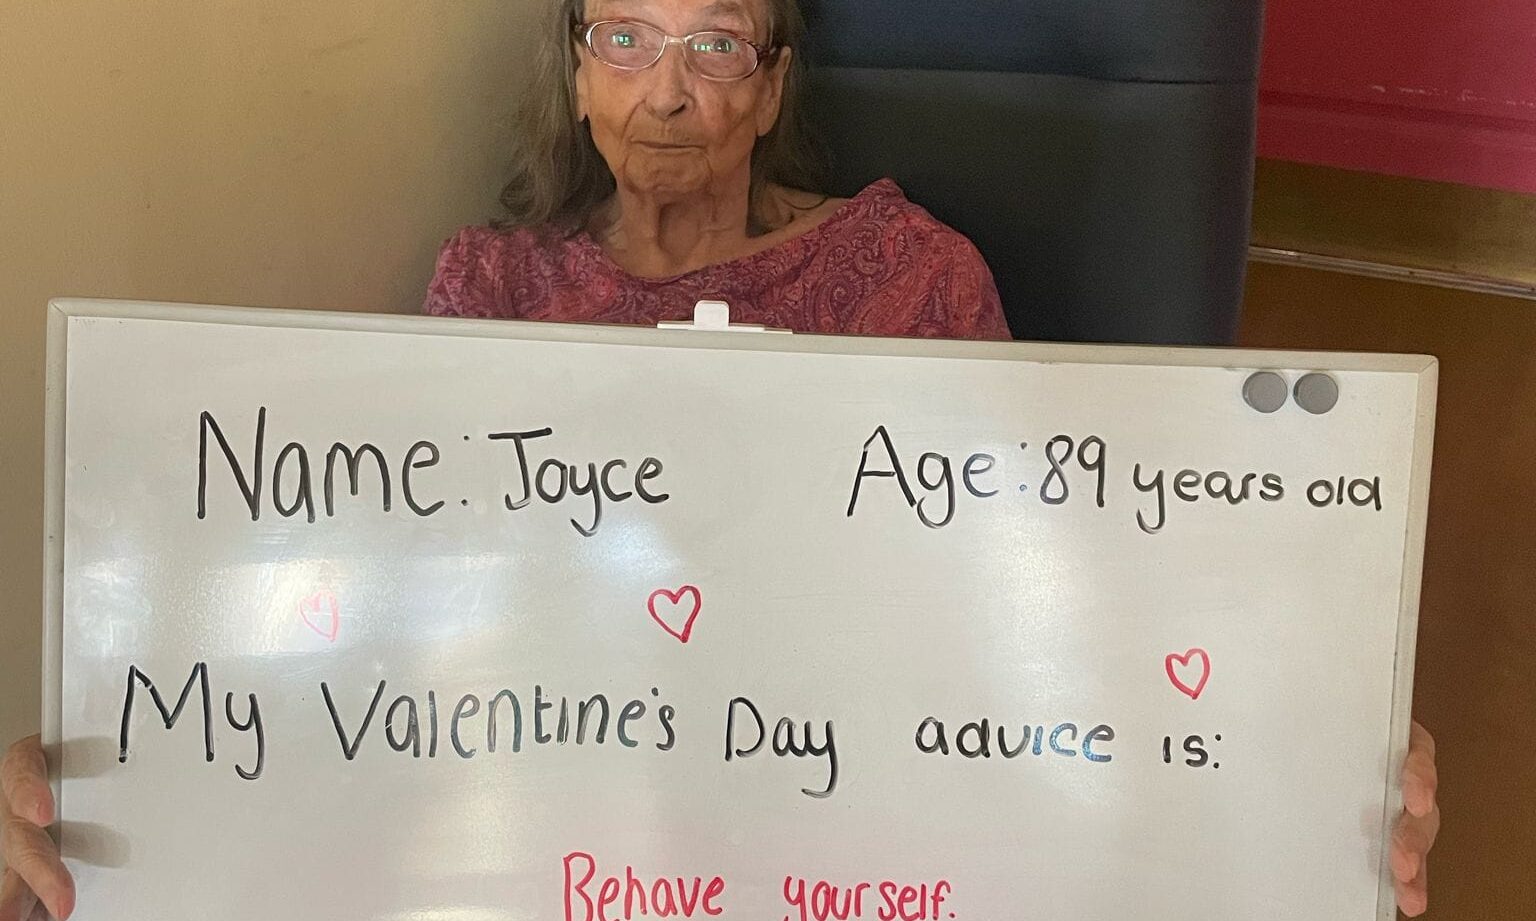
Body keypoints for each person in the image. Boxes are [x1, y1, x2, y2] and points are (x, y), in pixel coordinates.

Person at [0, 0, 1440, 918]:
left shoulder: (914, 275)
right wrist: (134, 765)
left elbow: (1045, 590)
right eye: (625, 40)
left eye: (715, 46)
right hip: (536, 840)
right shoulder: (490, 286)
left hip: (852, 844)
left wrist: (1299, 746)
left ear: (770, 85)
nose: (669, 92)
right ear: (575, 75)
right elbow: (383, 613)